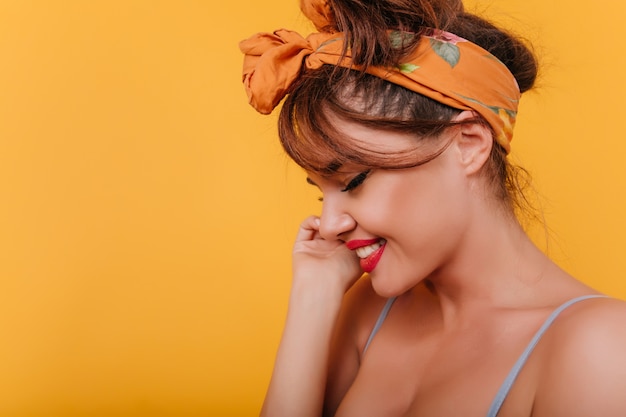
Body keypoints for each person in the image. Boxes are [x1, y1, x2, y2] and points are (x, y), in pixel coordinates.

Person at [239, 0, 626, 415]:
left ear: (468, 146)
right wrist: (312, 298)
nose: (330, 225)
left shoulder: (600, 349)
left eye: (353, 181)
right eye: (321, 192)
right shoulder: (367, 311)